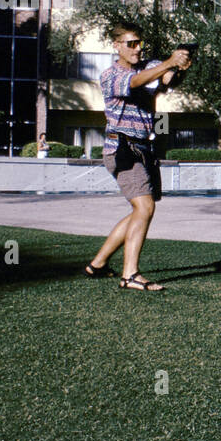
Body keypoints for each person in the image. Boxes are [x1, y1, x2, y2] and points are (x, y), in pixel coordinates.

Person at [85, 22, 191, 291]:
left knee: (138, 210)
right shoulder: (110, 75)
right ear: (117, 45)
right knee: (144, 208)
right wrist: (168, 61)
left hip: (144, 148)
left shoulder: (150, 65)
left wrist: (178, 69)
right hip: (122, 149)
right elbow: (135, 82)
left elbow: (165, 82)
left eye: (139, 42)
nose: (137, 48)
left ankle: (97, 263)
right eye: (131, 43)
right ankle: (130, 275)